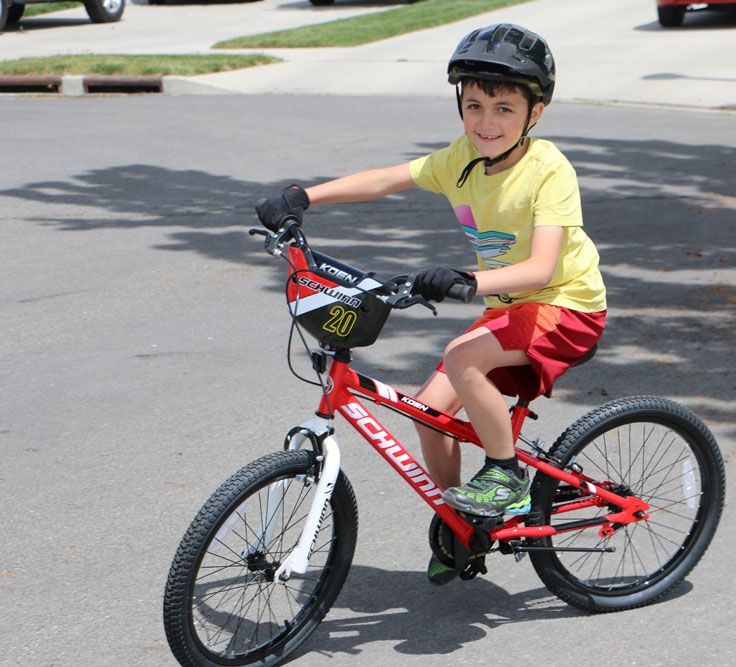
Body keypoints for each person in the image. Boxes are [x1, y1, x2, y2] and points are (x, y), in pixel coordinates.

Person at [256, 23, 607, 572]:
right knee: (430, 412)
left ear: (534, 114)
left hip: (566, 305)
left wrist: (465, 279)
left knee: (462, 358)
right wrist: (304, 195)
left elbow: (541, 267)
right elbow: (386, 180)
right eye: (473, 106)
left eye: (504, 109)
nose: (486, 122)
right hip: (510, 306)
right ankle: (460, 523)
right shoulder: (461, 159)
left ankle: (506, 477)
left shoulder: (548, 170)